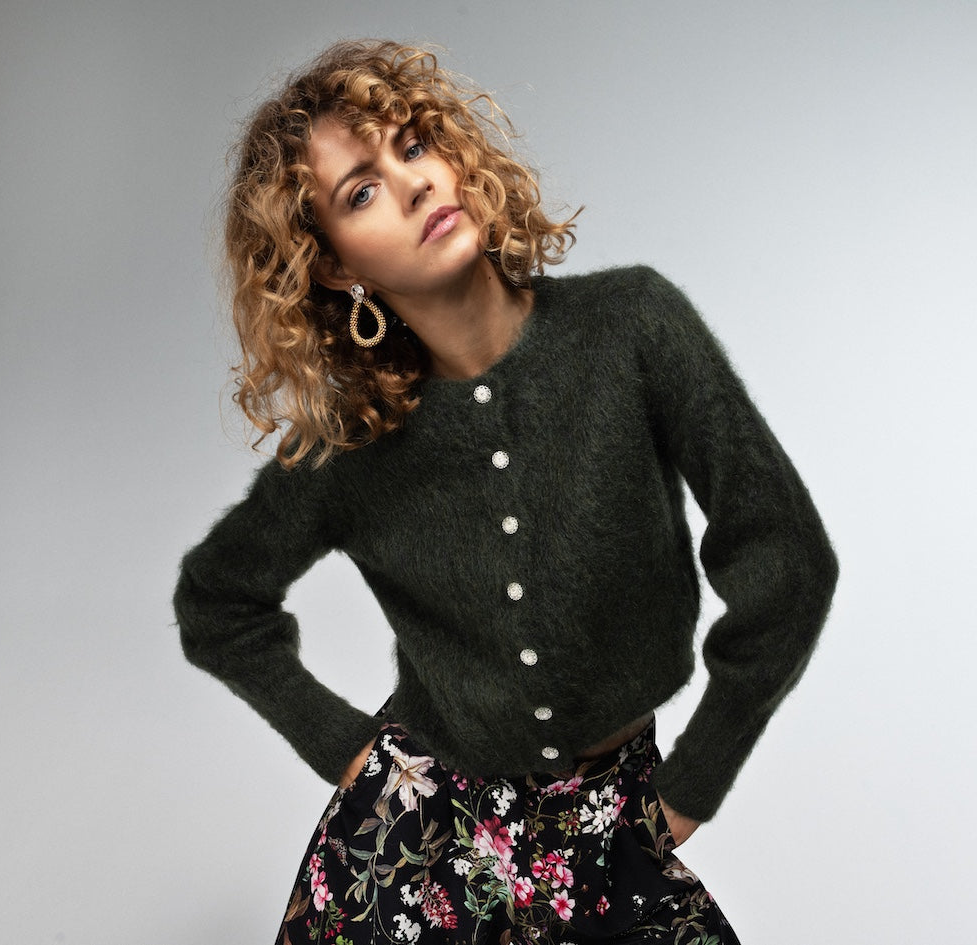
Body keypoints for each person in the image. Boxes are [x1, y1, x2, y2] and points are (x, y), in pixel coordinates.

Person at [174, 39, 839, 945]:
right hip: (416, 851)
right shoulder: (354, 447)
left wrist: (692, 782)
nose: (412, 185)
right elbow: (216, 599)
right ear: (333, 265)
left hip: (614, 829)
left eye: (413, 145)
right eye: (361, 192)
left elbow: (786, 563)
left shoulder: (634, 329)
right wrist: (345, 747)